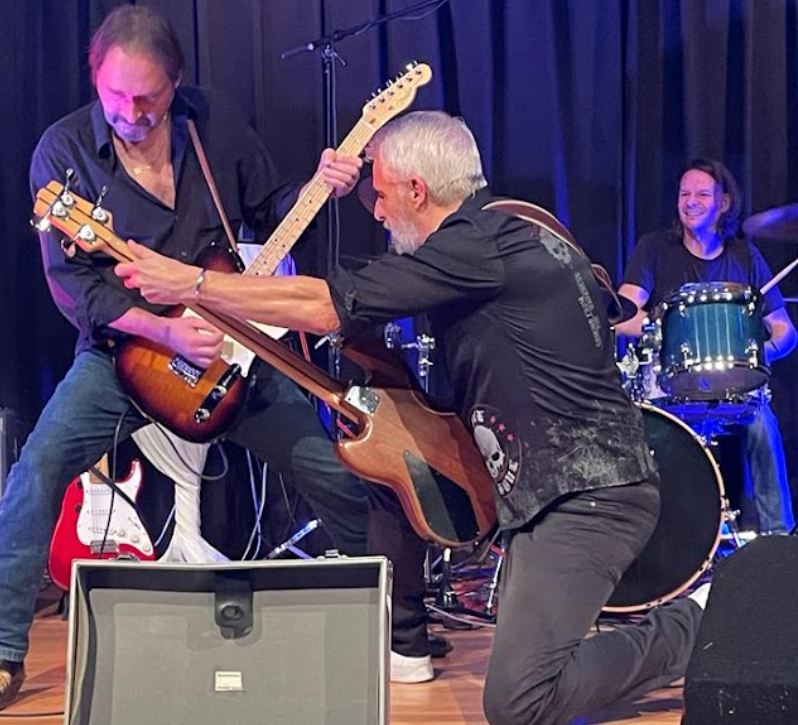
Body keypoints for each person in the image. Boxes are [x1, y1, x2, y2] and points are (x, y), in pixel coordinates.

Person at [119, 109, 708, 725]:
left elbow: (326, 304)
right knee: (389, 479)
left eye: (380, 195)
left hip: (590, 495)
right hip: (550, 496)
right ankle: (405, 639)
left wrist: (193, 286)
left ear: (416, 190)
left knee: (519, 703)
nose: (376, 212)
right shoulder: (497, 235)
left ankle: (691, 627)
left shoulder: (478, 244)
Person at [0, 5, 372, 709]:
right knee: (38, 469)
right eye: (115, 96)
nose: (130, 113)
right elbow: (77, 290)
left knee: (335, 473)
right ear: (94, 79)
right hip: (122, 358)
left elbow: (271, 209)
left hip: (233, 353)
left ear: (176, 82)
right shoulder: (63, 153)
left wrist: (321, 186)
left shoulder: (215, 122)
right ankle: (1, 649)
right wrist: (165, 333)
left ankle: (384, 615)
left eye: (147, 98)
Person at [616, 158, 796, 535]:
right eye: (684, 194)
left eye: (702, 194)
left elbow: (785, 330)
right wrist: (665, 328)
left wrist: (758, 353)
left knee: (763, 425)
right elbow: (621, 314)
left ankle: (780, 540)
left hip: (734, 390)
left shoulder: (745, 256)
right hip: (669, 388)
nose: (691, 202)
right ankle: (666, 539)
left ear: (724, 203)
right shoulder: (655, 248)